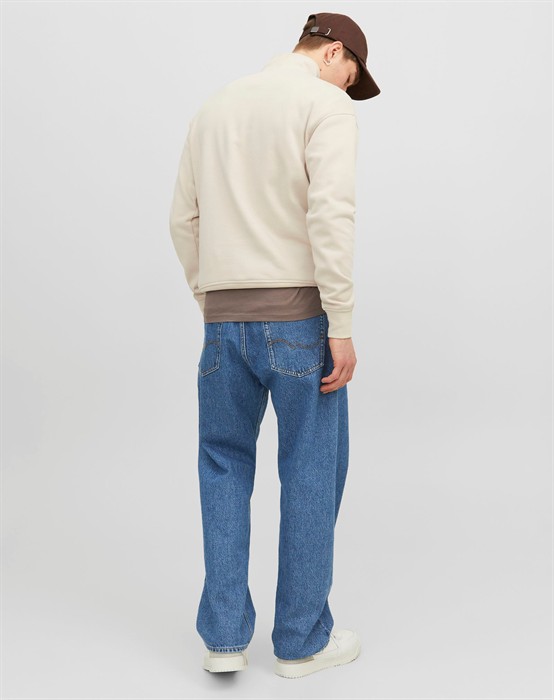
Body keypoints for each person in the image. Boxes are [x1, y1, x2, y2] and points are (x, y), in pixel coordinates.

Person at [169, 11, 380, 679]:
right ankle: (300, 640)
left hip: (222, 323)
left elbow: (183, 219)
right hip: (299, 321)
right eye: (352, 76)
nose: (348, 89)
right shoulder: (323, 105)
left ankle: (224, 638)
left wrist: (211, 299)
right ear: (333, 52)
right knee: (312, 466)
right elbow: (331, 214)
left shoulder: (215, 107)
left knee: (223, 466)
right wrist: (340, 322)